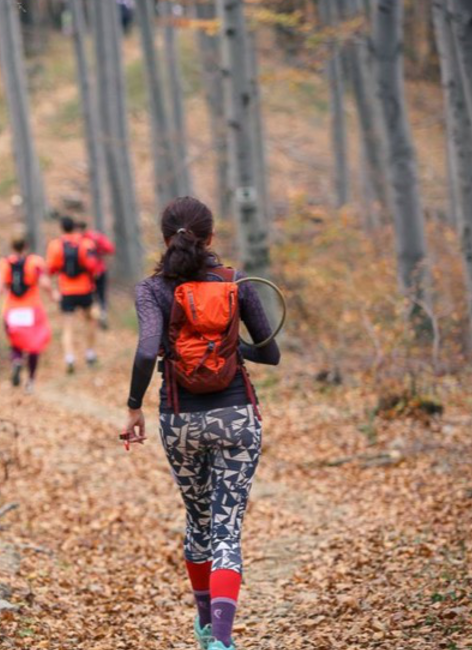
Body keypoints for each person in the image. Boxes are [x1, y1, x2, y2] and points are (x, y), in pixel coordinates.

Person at [121, 197, 280, 650]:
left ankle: (207, 624)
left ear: (164, 237)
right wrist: (227, 348)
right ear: (211, 238)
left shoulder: (152, 290)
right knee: (227, 527)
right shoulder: (237, 283)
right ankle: (222, 643)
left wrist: (134, 406)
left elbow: (147, 350)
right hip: (237, 417)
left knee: (199, 521)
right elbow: (270, 353)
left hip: (180, 420)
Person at [0, 236, 52, 393]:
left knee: (16, 342)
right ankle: (31, 381)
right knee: (34, 346)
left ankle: (17, 360)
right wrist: (53, 295)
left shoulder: (4, 263)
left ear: (11, 246)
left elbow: (0, 289)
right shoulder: (35, 262)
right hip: (32, 310)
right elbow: (45, 283)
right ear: (25, 246)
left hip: (12, 310)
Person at [46, 216, 98, 374]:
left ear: (61, 228)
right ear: (75, 227)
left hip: (66, 290)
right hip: (84, 289)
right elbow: (93, 266)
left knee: (68, 326)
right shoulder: (85, 243)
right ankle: (89, 353)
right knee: (90, 320)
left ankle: (69, 357)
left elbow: (51, 268)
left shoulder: (55, 245)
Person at [78, 220, 115, 330]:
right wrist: (100, 253)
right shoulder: (96, 237)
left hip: (88, 273)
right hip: (100, 269)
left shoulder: (80, 241)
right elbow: (109, 248)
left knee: (91, 295)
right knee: (101, 294)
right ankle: (102, 313)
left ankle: (94, 316)